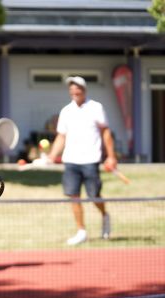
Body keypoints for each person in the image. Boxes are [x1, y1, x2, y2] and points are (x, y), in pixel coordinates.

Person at [48, 76, 117, 245]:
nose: (75, 92)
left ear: (84, 90)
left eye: (77, 88)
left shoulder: (96, 108)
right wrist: (51, 156)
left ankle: (105, 216)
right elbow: (61, 137)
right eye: (72, 89)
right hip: (71, 160)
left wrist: (111, 156)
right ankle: (81, 231)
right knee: (74, 196)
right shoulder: (66, 111)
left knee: (94, 195)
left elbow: (106, 133)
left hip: (91, 159)